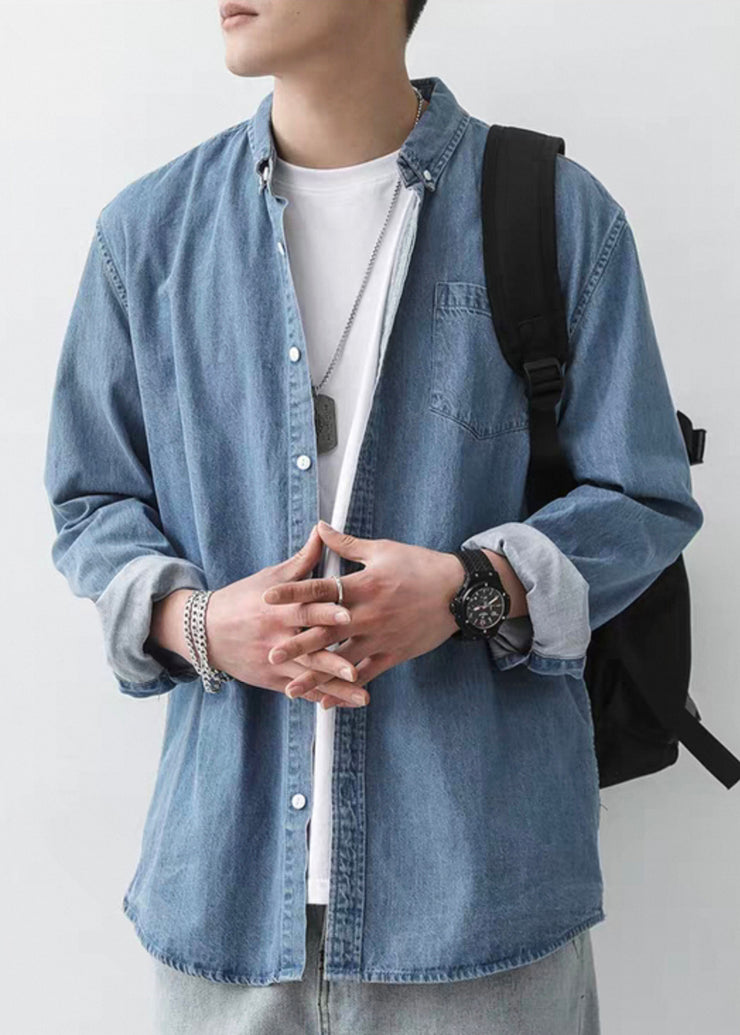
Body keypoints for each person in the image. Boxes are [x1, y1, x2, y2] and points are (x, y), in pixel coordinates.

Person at [42, 0, 704, 1032]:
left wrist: (471, 589)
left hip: (477, 905)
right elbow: (92, 502)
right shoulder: (150, 234)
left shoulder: (554, 214)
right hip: (223, 900)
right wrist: (202, 624)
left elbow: (644, 496)